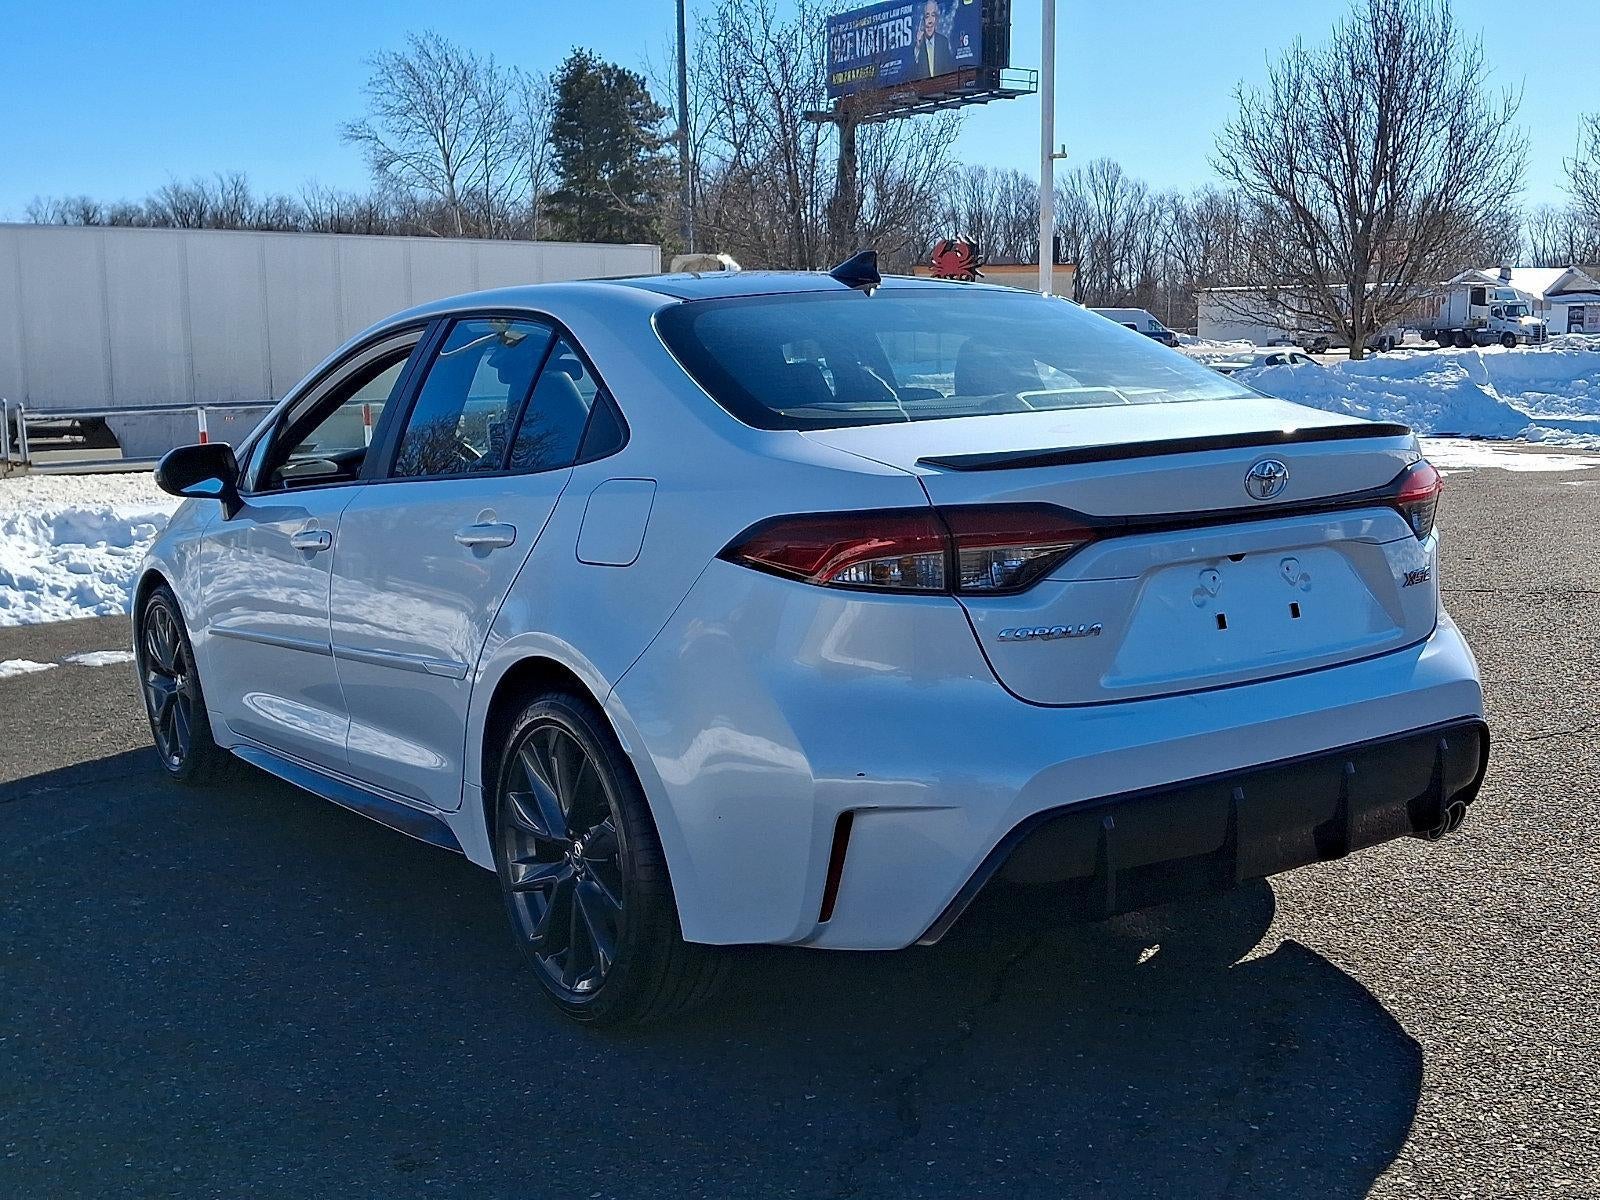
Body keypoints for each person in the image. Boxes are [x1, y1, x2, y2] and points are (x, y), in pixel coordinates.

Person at [912, 0, 954, 79]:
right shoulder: (917, 45)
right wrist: (918, 44)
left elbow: (949, 70)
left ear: (937, 19)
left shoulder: (943, 42)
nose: (930, 21)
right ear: (922, 20)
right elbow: (912, 73)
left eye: (933, 15)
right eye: (927, 16)